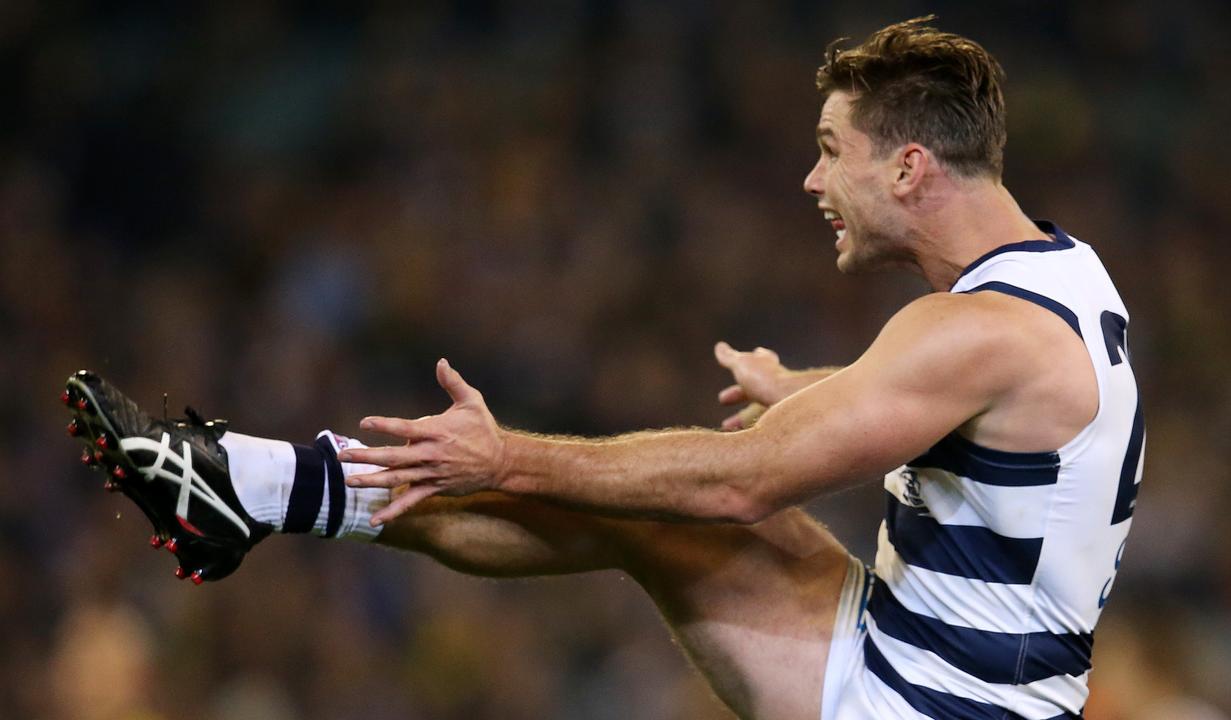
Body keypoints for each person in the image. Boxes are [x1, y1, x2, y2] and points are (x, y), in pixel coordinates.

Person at [62, 17, 1143, 720]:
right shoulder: (1062, 274)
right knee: (683, 519)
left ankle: (243, 489)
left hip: (926, 706)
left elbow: (742, 480)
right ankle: (243, 490)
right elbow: (993, 423)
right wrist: (815, 389)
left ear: (909, 167)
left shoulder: (968, 331)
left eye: (830, 146)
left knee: (676, 503)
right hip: (929, 662)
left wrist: (508, 454)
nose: (811, 177)